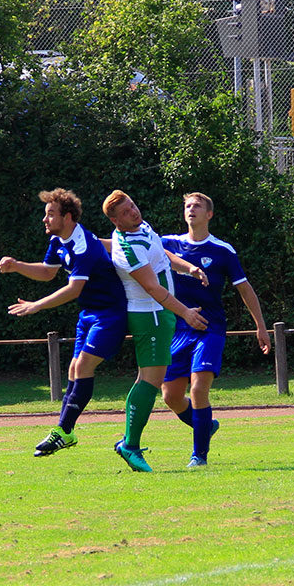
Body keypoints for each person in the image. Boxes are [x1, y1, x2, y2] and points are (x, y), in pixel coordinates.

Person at [0, 188, 128, 458]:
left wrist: (36, 305)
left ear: (67, 217)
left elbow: (73, 289)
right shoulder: (59, 240)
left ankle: (63, 431)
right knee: (73, 369)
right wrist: (17, 265)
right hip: (89, 314)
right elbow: (48, 272)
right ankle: (64, 432)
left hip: (111, 313)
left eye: (50, 215)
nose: (45, 220)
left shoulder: (84, 245)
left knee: (82, 366)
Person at [160, 192, 271, 468]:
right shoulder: (168, 244)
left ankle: (199, 455)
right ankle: (206, 426)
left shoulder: (223, 250)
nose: (191, 209)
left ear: (209, 214)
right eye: (187, 206)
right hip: (178, 330)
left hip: (210, 329)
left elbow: (245, 289)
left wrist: (261, 326)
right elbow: (135, 245)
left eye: (197, 206)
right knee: (170, 396)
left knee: (198, 389)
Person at [103, 189, 209, 472]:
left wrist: (189, 268)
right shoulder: (128, 246)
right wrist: (185, 311)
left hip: (161, 316)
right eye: (126, 212)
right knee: (149, 382)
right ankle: (130, 445)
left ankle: (203, 425)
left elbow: (162, 254)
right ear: (116, 221)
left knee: (155, 381)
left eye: (133, 205)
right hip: (150, 316)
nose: (134, 212)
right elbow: (153, 287)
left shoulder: (142, 228)